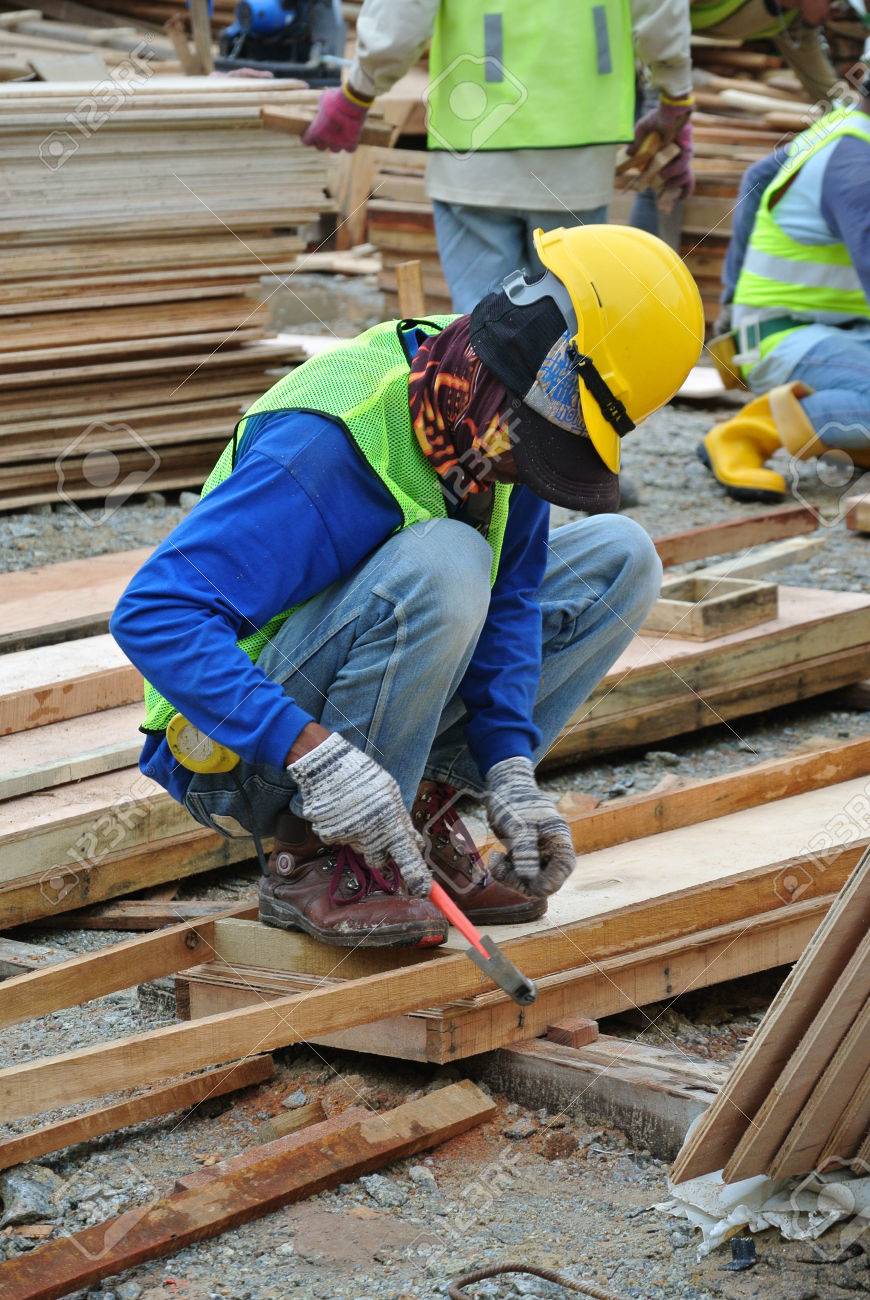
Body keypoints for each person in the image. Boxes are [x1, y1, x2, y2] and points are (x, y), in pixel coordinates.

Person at [111, 225, 704, 950]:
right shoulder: (329, 442)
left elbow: (512, 600)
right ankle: (320, 852)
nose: (530, 471)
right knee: (446, 558)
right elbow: (154, 613)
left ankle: (415, 813)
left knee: (622, 557)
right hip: (234, 749)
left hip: (332, 712)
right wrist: (312, 754)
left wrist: (510, 768)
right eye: (541, 446)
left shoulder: (488, 420)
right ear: (515, 377)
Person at [301, 0, 693, 312]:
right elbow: (660, 11)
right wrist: (675, 95)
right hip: (578, 146)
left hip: (475, 145)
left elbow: (402, 16)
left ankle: (483, 411)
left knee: (482, 338)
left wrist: (358, 92)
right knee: (570, 336)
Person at [699, 71, 870, 500]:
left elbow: (756, 179)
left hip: (832, 333)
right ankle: (747, 434)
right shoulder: (856, 170)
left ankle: (849, 434)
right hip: (788, 336)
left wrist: (730, 306)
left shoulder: (844, 128)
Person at [631, 0, 838, 246]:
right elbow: (656, 17)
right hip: (648, 50)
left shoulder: (793, 20)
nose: (838, 10)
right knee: (661, 171)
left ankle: (661, 268)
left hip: (669, 57)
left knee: (669, 177)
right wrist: (672, 93)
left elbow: (826, 90)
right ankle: (645, 270)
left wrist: (854, 117)